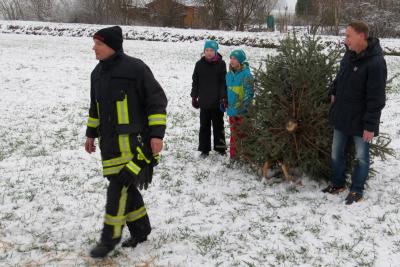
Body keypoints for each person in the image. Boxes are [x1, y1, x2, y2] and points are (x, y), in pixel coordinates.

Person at [84, 26, 168, 258]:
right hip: (109, 148)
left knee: (118, 188)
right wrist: (91, 134)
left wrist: (157, 136)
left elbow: (157, 102)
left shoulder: (136, 69)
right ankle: (141, 230)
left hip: (136, 147)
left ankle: (109, 239)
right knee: (126, 188)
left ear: (111, 46)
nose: (94, 47)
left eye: (98, 44)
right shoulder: (96, 74)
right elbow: (95, 109)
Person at [323, 21, 387, 205]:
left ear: (361, 36)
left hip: (361, 121)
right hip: (342, 115)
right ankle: (337, 184)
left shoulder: (376, 63)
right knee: (336, 152)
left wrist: (370, 126)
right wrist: (334, 91)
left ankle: (356, 190)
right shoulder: (349, 55)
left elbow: (376, 99)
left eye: (348, 35)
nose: (346, 40)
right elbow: (340, 76)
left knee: (361, 157)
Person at [191, 40, 227, 157]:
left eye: (211, 50)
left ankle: (220, 148)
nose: (209, 53)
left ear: (216, 51)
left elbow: (223, 83)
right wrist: (194, 96)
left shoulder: (221, 64)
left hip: (217, 103)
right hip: (204, 102)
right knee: (204, 126)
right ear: (204, 51)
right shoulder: (199, 64)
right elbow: (195, 82)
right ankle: (204, 149)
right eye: (207, 50)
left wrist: (223, 98)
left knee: (218, 126)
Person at [225, 49, 254, 158]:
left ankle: (248, 156)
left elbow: (249, 92)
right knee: (234, 134)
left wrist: (244, 106)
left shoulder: (246, 75)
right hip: (232, 110)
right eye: (231, 58)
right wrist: (224, 101)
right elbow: (226, 90)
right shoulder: (228, 75)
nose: (232, 60)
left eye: (235, 58)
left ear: (240, 61)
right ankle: (234, 156)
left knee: (245, 134)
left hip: (243, 111)